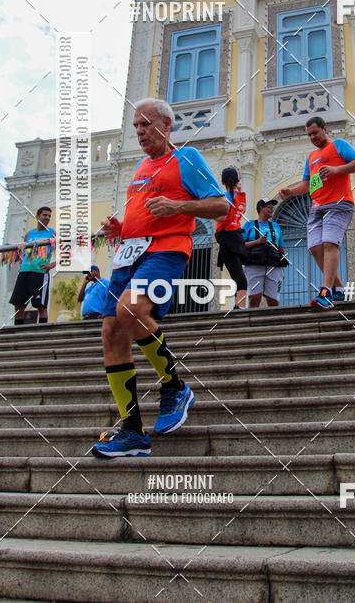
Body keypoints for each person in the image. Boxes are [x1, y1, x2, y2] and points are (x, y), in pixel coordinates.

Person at [92, 97, 228, 458]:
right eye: (136, 126)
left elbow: (222, 206)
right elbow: (142, 218)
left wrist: (177, 206)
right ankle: (133, 431)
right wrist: (118, 229)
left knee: (131, 309)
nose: (139, 132)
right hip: (129, 254)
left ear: (167, 126)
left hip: (167, 249)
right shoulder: (138, 170)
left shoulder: (186, 159)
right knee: (110, 331)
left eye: (146, 124)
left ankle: (174, 386)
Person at [279, 117, 355, 309]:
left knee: (329, 243)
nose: (312, 137)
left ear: (325, 129)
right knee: (315, 247)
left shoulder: (339, 145)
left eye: (315, 133)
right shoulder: (311, 157)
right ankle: (340, 289)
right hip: (317, 207)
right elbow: (307, 184)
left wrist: (336, 169)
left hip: (339, 203)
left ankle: (326, 291)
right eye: (309, 134)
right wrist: (291, 191)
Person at [9, 206, 56, 325]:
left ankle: (41, 336)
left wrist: (52, 264)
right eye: (45, 215)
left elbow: (66, 250)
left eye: (49, 216)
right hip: (24, 271)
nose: (47, 218)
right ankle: (17, 335)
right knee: (19, 305)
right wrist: (20, 261)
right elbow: (22, 251)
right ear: (37, 216)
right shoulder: (29, 233)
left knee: (41, 306)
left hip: (40, 272)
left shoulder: (52, 232)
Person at [242, 198, 287, 308]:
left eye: (272, 207)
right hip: (254, 265)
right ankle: (252, 324)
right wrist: (257, 242)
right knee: (254, 299)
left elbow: (281, 249)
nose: (272, 209)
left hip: (274, 265)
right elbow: (241, 245)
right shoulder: (249, 225)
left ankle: (275, 323)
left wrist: (282, 269)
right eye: (269, 207)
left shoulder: (276, 226)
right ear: (261, 208)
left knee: (273, 300)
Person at [215, 167, 248, 310]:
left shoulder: (223, 198)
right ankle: (238, 304)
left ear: (222, 182)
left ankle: (239, 306)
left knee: (238, 276)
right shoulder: (241, 198)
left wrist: (208, 212)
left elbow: (221, 217)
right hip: (236, 238)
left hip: (227, 237)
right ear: (237, 181)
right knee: (237, 273)